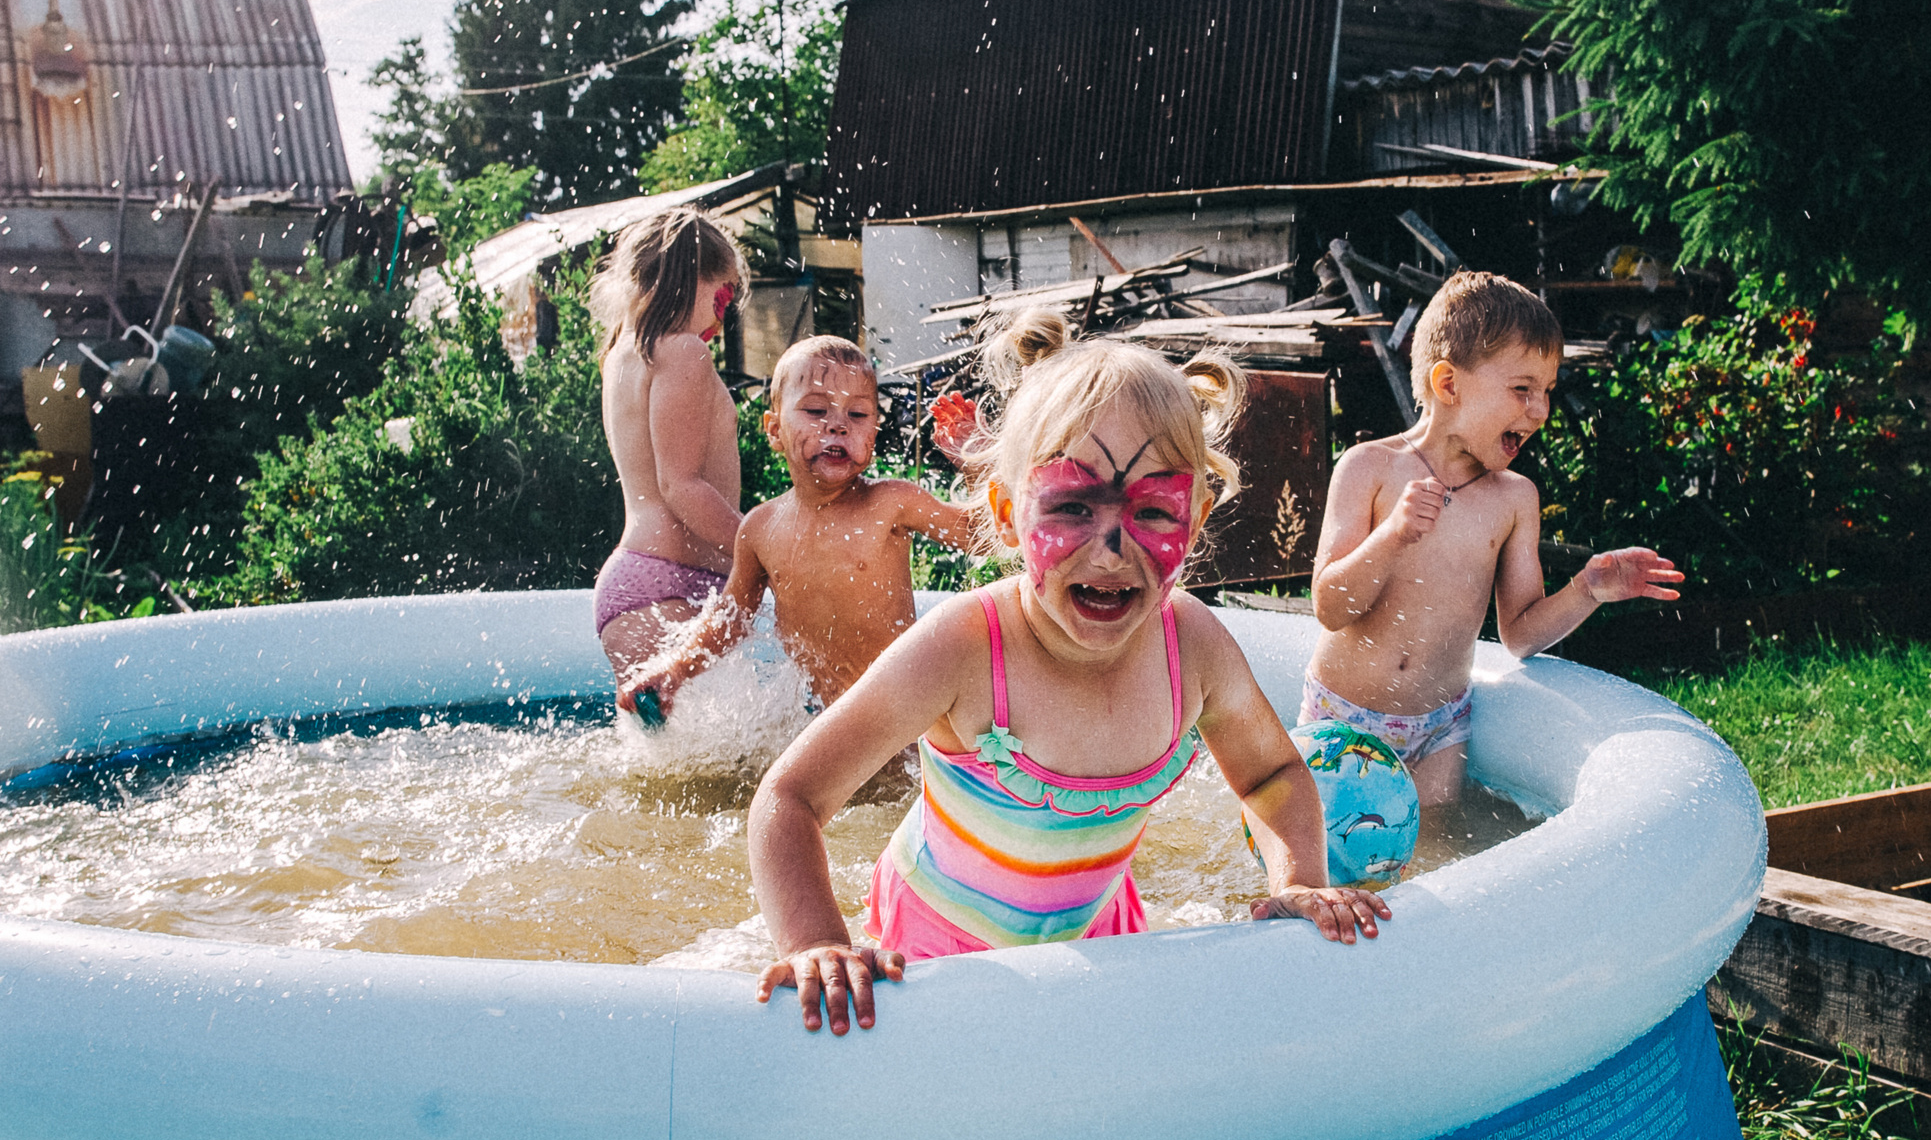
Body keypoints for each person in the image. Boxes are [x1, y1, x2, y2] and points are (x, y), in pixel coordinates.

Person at [747, 313, 1390, 1034]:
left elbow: (1272, 773)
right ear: (1007, 513)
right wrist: (817, 942)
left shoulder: (1191, 648)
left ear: (1198, 514)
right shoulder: (965, 648)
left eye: (1155, 510)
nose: (1111, 549)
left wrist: (1299, 880)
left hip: (1097, 940)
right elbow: (790, 797)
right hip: (935, 954)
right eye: (1072, 505)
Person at [1305, 271, 1683, 805]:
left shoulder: (1514, 499)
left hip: (1441, 728)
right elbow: (1330, 607)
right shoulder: (1369, 468)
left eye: (1547, 392)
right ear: (1449, 385)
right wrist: (1392, 536)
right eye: (1522, 390)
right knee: (1327, 846)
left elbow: (1520, 635)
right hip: (1344, 716)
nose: (1540, 410)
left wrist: (1588, 589)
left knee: (1440, 845)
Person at [617, 335, 981, 717]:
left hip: (900, 714)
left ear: (874, 431)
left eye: (858, 414)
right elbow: (730, 620)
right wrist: (673, 670)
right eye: (816, 410)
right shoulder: (761, 528)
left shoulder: (890, 504)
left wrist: (975, 459)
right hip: (821, 718)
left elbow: (979, 535)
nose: (838, 425)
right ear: (775, 430)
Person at [590, 207, 749, 681]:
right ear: (689, 278)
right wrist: (764, 550)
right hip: (669, 585)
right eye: (722, 295)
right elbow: (680, 487)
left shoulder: (621, 353)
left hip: (644, 585)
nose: (722, 314)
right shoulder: (682, 350)